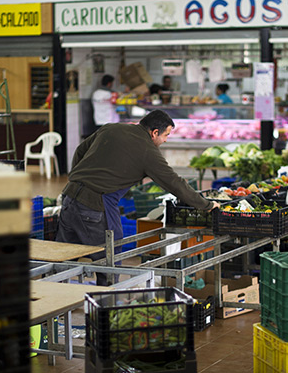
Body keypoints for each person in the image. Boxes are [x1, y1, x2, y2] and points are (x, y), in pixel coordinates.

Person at [56, 110, 220, 272]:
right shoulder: (148, 151)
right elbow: (174, 183)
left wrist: (76, 177)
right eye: (166, 135)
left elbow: (79, 150)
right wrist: (206, 205)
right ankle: (106, 297)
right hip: (96, 207)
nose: (165, 140)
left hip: (69, 197)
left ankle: (54, 295)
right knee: (109, 262)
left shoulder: (110, 128)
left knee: (62, 260)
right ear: (154, 132)